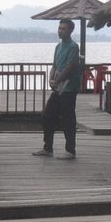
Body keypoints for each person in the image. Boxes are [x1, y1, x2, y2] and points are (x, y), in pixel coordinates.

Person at [34, 20, 82, 159]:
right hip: (58, 88)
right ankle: (47, 148)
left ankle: (70, 150)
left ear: (70, 31)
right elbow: (54, 65)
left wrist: (58, 80)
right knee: (47, 116)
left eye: (63, 29)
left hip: (69, 88)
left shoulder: (73, 47)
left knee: (68, 119)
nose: (60, 31)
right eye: (59, 28)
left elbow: (70, 67)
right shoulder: (58, 46)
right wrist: (51, 80)